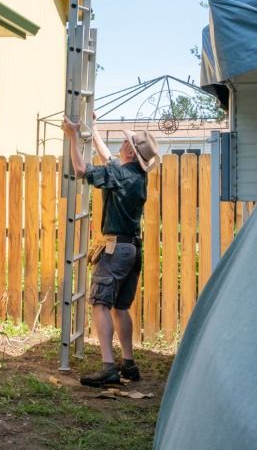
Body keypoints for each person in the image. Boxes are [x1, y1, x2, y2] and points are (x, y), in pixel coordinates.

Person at [61, 114, 159, 387]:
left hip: (116, 250)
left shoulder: (120, 174)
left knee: (100, 304)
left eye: (126, 142)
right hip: (132, 248)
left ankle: (108, 367)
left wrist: (72, 136)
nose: (122, 144)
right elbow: (109, 160)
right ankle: (128, 363)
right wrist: (90, 130)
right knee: (120, 307)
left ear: (129, 150)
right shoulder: (135, 175)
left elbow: (81, 170)